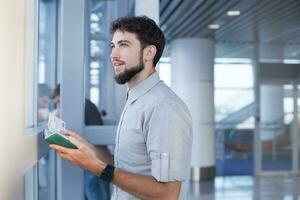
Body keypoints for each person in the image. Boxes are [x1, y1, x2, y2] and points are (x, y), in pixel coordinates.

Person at [50, 16, 193, 200]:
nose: (113, 54)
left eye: (123, 45)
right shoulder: (136, 101)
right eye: (113, 46)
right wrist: (88, 149)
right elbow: (129, 168)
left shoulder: (163, 107)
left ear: (149, 53)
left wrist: (96, 167)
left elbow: (167, 193)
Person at [52, 84, 110, 200]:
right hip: (94, 158)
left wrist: (56, 114)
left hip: (96, 159)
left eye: (59, 102)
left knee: (94, 194)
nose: (58, 106)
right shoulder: (83, 104)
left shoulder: (81, 106)